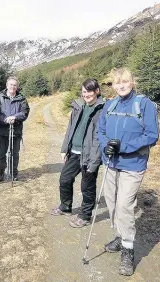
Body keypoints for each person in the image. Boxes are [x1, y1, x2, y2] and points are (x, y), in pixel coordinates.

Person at [98, 68, 159, 276]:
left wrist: (123, 146)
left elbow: (152, 135)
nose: (121, 85)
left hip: (133, 164)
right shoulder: (110, 104)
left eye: (125, 81)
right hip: (111, 162)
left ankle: (128, 249)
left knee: (125, 205)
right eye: (117, 82)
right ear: (113, 85)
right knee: (112, 202)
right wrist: (106, 146)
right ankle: (119, 235)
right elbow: (101, 130)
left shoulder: (144, 104)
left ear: (132, 82)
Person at [51, 79, 104, 228]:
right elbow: (70, 128)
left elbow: (100, 136)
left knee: (87, 186)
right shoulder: (79, 106)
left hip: (89, 154)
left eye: (89, 91)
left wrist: (95, 159)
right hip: (74, 151)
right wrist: (64, 149)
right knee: (65, 179)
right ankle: (65, 206)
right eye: (84, 91)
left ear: (97, 91)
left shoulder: (102, 109)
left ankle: (85, 216)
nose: (86, 94)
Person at [0, 76, 30, 182]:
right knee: (2, 153)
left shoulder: (22, 98)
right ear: (7, 85)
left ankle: (13, 173)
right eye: (11, 85)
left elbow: (25, 112)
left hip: (16, 131)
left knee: (14, 154)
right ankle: (1, 173)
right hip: (2, 131)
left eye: (15, 85)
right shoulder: (0, 97)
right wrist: (5, 119)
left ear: (17, 87)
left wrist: (15, 117)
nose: (12, 87)